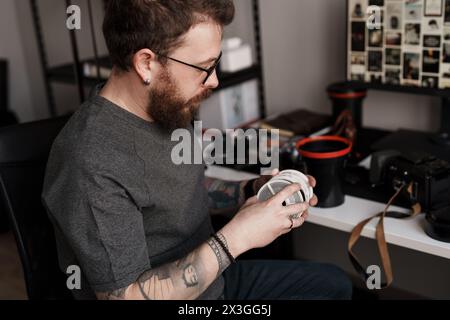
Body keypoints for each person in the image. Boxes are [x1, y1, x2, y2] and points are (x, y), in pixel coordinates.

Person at [42, 0, 352, 300]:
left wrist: (252, 190)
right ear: (146, 63)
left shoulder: (170, 107)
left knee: (336, 284)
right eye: (203, 68)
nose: (214, 80)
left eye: (215, 64)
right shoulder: (90, 160)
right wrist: (238, 237)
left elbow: (184, 189)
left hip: (216, 282)